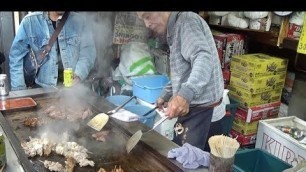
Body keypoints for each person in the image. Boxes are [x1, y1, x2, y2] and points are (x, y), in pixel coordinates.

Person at [137, 12, 225, 151]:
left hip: (205, 114)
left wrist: (184, 95)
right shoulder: (174, 29)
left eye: (147, 16)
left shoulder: (186, 21)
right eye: (142, 19)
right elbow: (183, 72)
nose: (146, 24)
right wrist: (165, 95)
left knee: (190, 164)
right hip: (195, 110)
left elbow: (203, 59)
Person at [9, 11, 96, 90]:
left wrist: (79, 74)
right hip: (41, 90)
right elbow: (16, 58)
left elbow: (88, 53)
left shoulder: (80, 21)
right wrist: (20, 91)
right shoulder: (30, 22)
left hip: (73, 91)